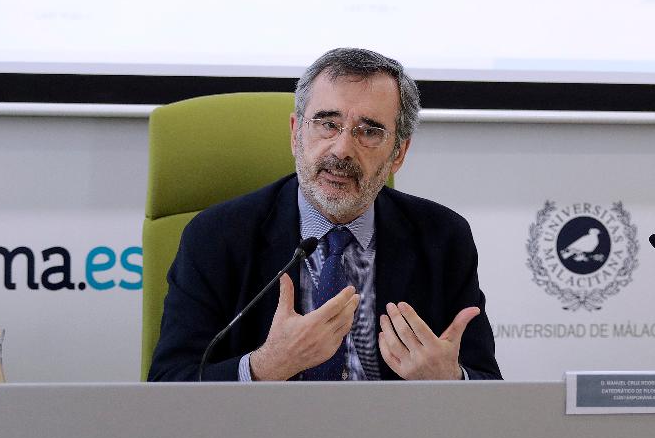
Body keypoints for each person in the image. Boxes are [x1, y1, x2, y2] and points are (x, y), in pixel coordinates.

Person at [148, 47, 501, 382]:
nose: (342, 148)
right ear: (295, 134)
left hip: (393, 437)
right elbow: (168, 383)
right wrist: (264, 367)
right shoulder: (216, 236)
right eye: (327, 124)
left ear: (398, 153)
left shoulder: (442, 237)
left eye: (369, 131)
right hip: (263, 437)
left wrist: (450, 380)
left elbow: (488, 387)